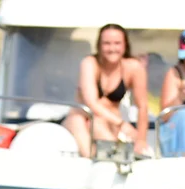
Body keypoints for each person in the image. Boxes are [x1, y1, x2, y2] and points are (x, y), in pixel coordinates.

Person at [61, 24, 150, 158]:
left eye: (117, 43)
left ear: (125, 45)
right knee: (82, 123)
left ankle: (116, 157)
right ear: (99, 45)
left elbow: (142, 106)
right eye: (107, 43)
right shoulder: (90, 63)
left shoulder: (133, 68)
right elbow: (91, 103)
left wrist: (141, 140)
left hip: (110, 123)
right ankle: (94, 157)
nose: (112, 48)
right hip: (83, 119)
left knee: (105, 132)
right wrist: (121, 124)